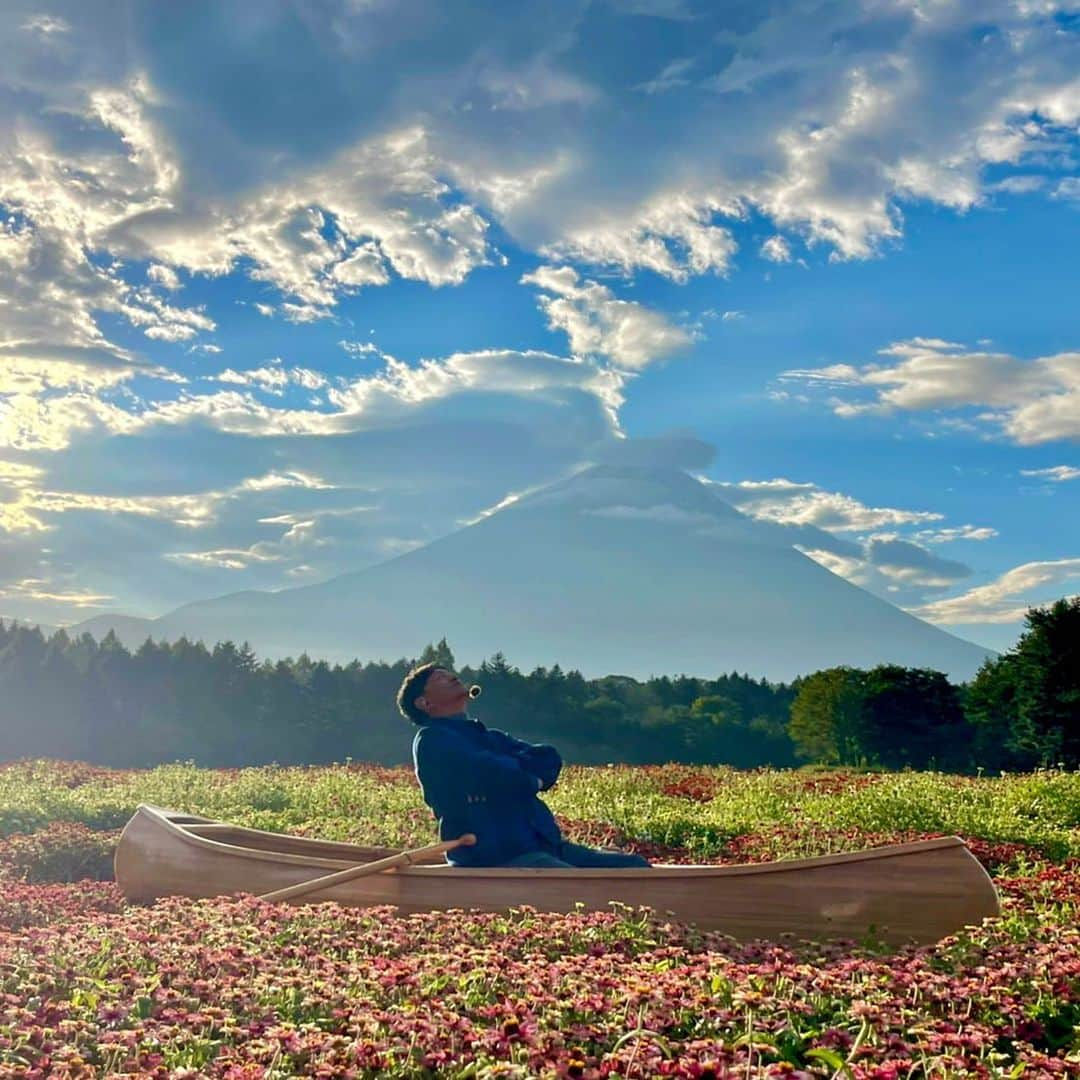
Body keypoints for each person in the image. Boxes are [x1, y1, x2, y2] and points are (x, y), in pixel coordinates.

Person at [397, 663, 651, 868]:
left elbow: (548, 758)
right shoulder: (432, 740)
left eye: (451, 674)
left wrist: (527, 778)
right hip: (494, 855)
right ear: (424, 703)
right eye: (441, 678)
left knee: (634, 866)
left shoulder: (489, 736)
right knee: (576, 883)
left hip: (543, 846)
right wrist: (529, 778)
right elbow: (493, 773)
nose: (453, 677)